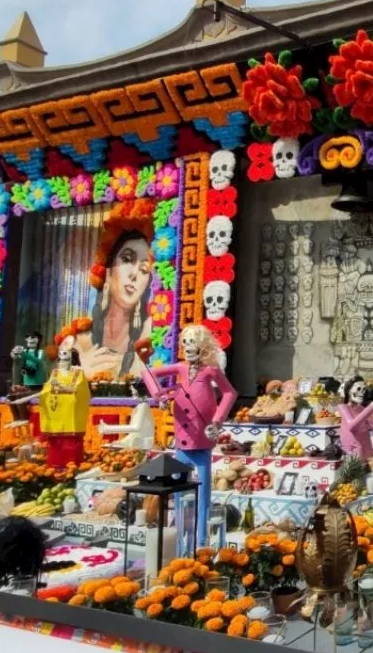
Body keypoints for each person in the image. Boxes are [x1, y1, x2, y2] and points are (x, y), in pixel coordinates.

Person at [139, 325, 237, 546]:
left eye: (192, 342)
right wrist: (159, 394)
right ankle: (182, 539)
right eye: (185, 342)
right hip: (182, 439)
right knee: (178, 491)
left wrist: (217, 420)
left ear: (202, 346)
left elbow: (230, 392)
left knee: (202, 493)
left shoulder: (210, 371)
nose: (188, 347)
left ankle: (200, 540)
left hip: (202, 439)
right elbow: (147, 373)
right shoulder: (181, 368)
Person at [76, 229, 153, 378]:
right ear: (109, 273)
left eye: (144, 269)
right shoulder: (80, 340)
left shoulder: (152, 337)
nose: (134, 274)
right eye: (127, 259)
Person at [13, 339, 90, 469]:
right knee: (55, 453)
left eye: (65, 360)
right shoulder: (55, 373)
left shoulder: (78, 373)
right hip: (56, 420)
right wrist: (27, 393)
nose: (61, 363)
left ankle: (71, 472)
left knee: (71, 453)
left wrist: (59, 387)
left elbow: (76, 390)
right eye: (60, 360)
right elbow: (47, 390)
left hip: (71, 422)